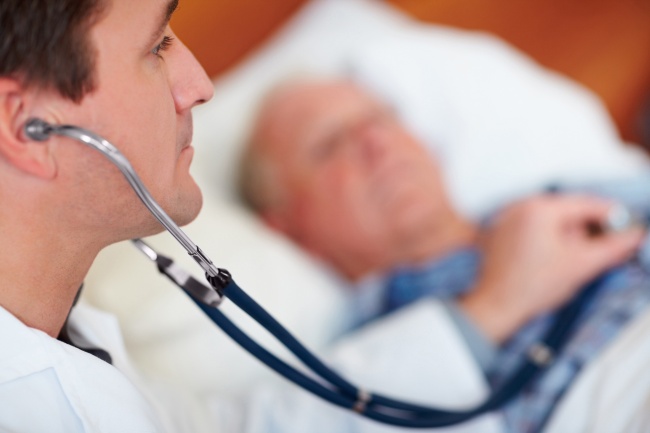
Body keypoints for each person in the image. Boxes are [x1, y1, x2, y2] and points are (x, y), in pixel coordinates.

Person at [0, 1, 641, 432]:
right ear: (27, 127)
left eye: (381, 118)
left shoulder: (74, 334)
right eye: (157, 45)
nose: (199, 84)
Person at [239, 78, 650, 432]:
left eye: (380, 118)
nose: (375, 142)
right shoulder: (359, 377)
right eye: (329, 145)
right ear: (285, 225)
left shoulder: (557, 196)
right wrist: (499, 301)